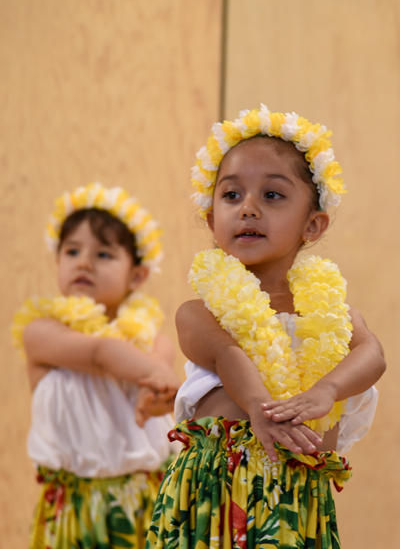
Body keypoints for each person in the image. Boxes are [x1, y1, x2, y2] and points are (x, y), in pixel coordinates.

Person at [145, 106, 386, 549]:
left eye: (272, 195)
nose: (248, 208)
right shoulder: (200, 312)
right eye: (231, 195)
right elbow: (227, 354)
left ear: (312, 225)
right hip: (219, 491)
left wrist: (327, 391)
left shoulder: (333, 316)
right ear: (211, 218)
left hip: (299, 498)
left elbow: (372, 353)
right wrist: (259, 406)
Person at [12, 183, 181, 549]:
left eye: (103, 254)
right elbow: (101, 353)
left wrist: (159, 394)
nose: (84, 262)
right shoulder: (42, 333)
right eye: (72, 251)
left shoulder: (152, 342)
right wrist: (159, 377)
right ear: (57, 261)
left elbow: (161, 389)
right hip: (76, 507)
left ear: (136, 276)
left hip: (147, 500)